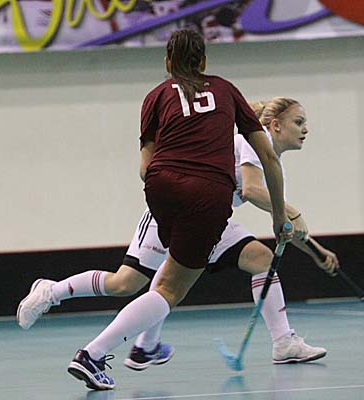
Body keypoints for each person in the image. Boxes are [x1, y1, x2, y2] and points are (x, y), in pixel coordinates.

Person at [17, 96, 339, 373]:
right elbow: (254, 191)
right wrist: (292, 211)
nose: (305, 129)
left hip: (211, 220)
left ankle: (281, 342)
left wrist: (316, 251)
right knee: (125, 283)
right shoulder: (254, 142)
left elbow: (281, 222)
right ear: (276, 125)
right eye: (299, 122)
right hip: (174, 213)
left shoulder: (270, 160)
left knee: (260, 258)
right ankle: (52, 291)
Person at [73, 28, 292, 390]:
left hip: (160, 187)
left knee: (164, 271)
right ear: (204, 61)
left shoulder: (155, 96)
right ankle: (94, 354)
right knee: (169, 290)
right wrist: (279, 216)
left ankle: (145, 346)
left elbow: (144, 168)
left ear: (167, 62)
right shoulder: (226, 90)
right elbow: (268, 157)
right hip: (207, 194)